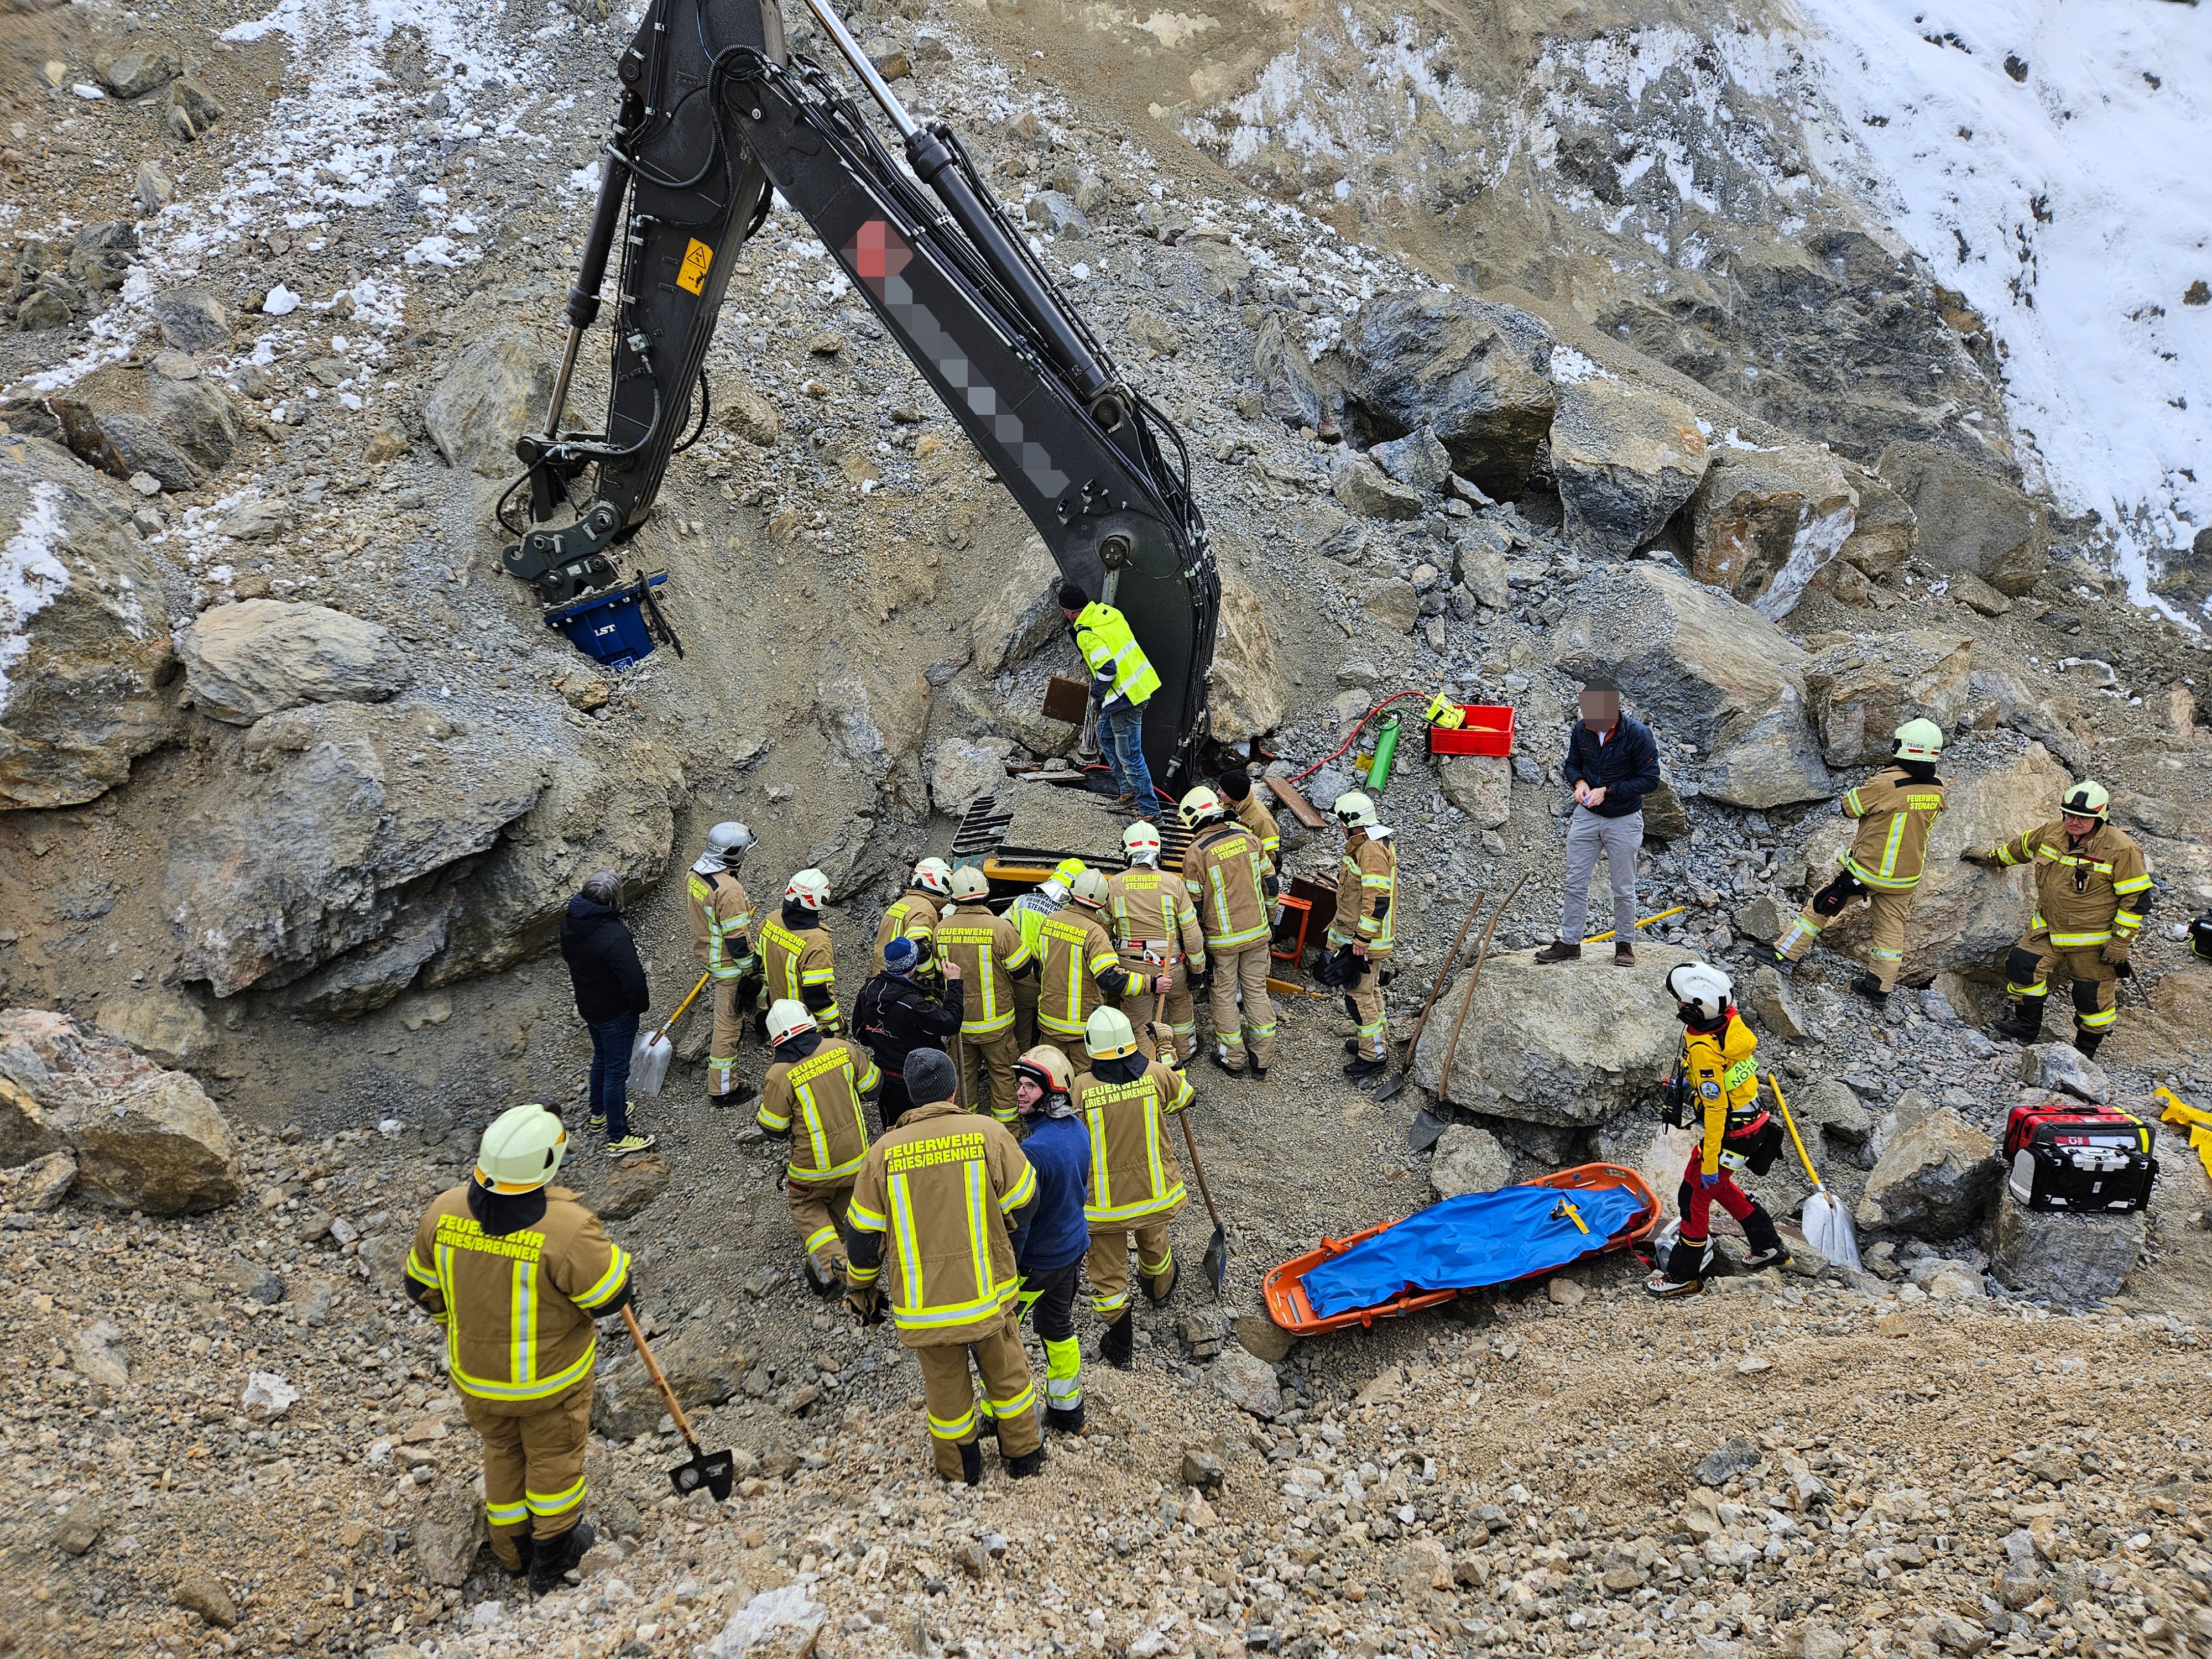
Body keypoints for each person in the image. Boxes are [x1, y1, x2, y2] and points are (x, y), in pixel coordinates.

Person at [404, 1104, 630, 1589]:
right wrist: (615, 1263)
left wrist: (452, 1324)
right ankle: (554, 1557)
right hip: (550, 1385)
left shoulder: (444, 1211)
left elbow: (419, 1288)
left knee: (502, 1452)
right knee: (553, 1462)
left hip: (477, 1381)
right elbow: (610, 1298)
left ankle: (511, 1554)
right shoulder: (567, 1229)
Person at [844, 1049, 1045, 1485]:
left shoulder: (881, 1154)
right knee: (1008, 1375)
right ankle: (1024, 1457)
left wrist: (861, 1288)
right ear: (953, 1089)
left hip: (926, 1306)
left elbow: (862, 1238)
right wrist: (1000, 1224)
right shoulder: (988, 1134)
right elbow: (1026, 1203)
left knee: (946, 1391)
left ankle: (960, 1471)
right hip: (987, 1293)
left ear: (913, 1098)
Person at [1750, 720, 1948, 1005]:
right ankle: (1878, 988)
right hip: (1905, 878)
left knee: (1820, 908)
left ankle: (1784, 954)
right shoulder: (1937, 789)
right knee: (1891, 931)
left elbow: (1849, 808)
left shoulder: (1887, 782)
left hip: (1866, 872)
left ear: (1901, 747)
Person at [1962, 779, 2153, 1060]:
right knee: (2022, 967)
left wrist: (2121, 943)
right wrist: (1992, 858)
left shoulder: (2121, 849)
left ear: (2100, 818)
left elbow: (2137, 899)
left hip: (2094, 940)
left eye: (2083, 818)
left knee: (2092, 999)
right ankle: (2026, 1026)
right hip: (2048, 927)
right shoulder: (2053, 831)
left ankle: (2085, 1052)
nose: (2073, 821)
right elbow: (2021, 848)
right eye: (2069, 814)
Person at [1648, 964, 1788, 1298]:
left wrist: (1709, 1162)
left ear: (1696, 1008)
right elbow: (1727, 1079)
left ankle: (1683, 1275)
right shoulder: (1730, 1023)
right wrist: (1692, 1081)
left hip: (1730, 1135)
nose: (1679, 1009)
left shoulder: (1702, 1050)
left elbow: (1715, 1111)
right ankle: (1768, 1245)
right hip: (1754, 1128)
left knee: (1694, 1197)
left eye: (1682, 1004)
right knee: (1721, 1188)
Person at [1072, 1006, 1194, 1368]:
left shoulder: (1081, 1087)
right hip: (1153, 1194)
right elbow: (1184, 1097)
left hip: (1105, 1206)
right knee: (1155, 1245)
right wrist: (1167, 1049)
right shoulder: (1156, 1074)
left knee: (1107, 1271)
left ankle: (1121, 1341)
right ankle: (1158, 1290)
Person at [756, 999, 883, 1297]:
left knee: (807, 1209)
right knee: (841, 1204)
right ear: (809, 1022)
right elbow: (873, 1088)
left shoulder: (778, 1075)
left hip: (812, 1171)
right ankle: (845, 1258)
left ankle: (830, 1275)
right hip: (857, 1160)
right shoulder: (842, 1050)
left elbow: (773, 1128)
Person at [1535, 680, 1661, 967]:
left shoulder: (1638, 735)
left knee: (1623, 887)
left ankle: (1625, 945)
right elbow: (1572, 764)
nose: (1588, 720)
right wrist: (1579, 783)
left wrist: (1608, 791)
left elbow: (1650, 779)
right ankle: (1569, 943)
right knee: (1575, 882)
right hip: (1587, 817)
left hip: (1624, 819)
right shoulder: (1582, 730)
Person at [1009, 1046, 1093, 1433]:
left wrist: (1007, 1270)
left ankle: (1000, 1416)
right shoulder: (1077, 1129)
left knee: (1004, 1334)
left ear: (1054, 1093)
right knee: (1058, 1326)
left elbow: (1021, 1224)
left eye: (1030, 1086)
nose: (1020, 1092)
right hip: (1073, 1249)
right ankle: (1066, 1410)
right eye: (1020, 1084)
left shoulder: (1033, 1152)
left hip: (1038, 1263)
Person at [1176, 786, 1276, 1077]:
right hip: (1258, 934)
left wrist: (1195, 949)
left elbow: (1192, 908)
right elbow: (1271, 886)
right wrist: (1269, 920)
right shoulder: (1250, 839)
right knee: (1256, 992)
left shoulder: (1197, 853)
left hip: (1222, 944)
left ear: (1194, 820)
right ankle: (1263, 1059)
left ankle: (1233, 1059)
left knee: (1223, 997)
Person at [559, 870, 655, 1156]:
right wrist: (638, 1007)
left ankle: (599, 1112)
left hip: (590, 1004)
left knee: (601, 1057)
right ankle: (618, 1135)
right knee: (617, 1072)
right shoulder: (613, 935)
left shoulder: (571, 922)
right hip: (615, 1012)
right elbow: (634, 980)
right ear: (614, 900)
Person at [934, 866, 1037, 1124]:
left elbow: (939, 974)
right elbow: (1023, 969)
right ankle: (1006, 1136)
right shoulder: (999, 928)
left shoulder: (941, 930)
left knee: (963, 1081)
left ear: (955, 897)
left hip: (960, 1026)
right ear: (985, 894)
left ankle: (965, 1131)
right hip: (997, 1027)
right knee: (1004, 1079)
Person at [1105, 820, 1209, 1063]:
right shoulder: (1173, 883)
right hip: (1172, 965)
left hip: (1133, 968)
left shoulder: (1114, 885)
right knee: (1180, 1005)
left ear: (1127, 851)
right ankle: (1184, 1053)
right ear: (1158, 851)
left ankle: (1147, 1066)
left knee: (1138, 1021)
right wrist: (1197, 969)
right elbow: (1191, 932)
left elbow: (1101, 929)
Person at [1037, 868, 1162, 1065]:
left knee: (1052, 1077)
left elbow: (1040, 970)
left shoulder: (1050, 922)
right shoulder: (1094, 932)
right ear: (1104, 903)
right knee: (1085, 1084)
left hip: (1048, 1020)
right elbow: (1109, 978)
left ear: (1072, 892)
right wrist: (1152, 983)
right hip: (1081, 1029)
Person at [1060, 579, 1160, 811]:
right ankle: (1127, 791)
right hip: (1140, 686)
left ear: (1068, 612)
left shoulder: (1086, 633)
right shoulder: (1108, 613)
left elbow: (1107, 669)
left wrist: (1096, 696)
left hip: (1126, 698)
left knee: (1131, 757)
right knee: (1104, 734)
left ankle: (1150, 811)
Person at [852, 936, 964, 1130]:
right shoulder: (913, 1004)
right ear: (912, 966)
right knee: (928, 1131)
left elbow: (860, 1032)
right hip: (919, 1080)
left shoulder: (868, 991)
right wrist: (953, 984)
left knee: (895, 1131)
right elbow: (951, 1024)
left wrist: (885, 1039)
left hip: (886, 1080)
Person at [1324, 791, 1399, 1080]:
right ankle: (1377, 1042)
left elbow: (1377, 899)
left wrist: (1360, 940)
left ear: (1352, 822)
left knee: (1358, 997)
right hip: (1366, 938)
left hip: (1365, 940)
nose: (1340, 827)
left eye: (1341, 823)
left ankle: (1373, 1055)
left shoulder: (1369, 850)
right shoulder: (1374, 843)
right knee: (1370, 991)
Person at [686, 822, 760, 1107]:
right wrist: (752, 972)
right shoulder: (728, 890)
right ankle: (723, 1089)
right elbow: (739, 944)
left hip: (709, 953)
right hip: (729, 965)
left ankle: (761, 1023)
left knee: (754, 997)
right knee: (727, 1026)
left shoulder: (695, 873)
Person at [1008, 858, 1082, 1049]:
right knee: (1049, 1035)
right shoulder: (1069, 913)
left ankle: (1023, 1069)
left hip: (1021, 977)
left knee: (1022, 1033)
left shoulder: (1022, 900)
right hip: (1052, 981)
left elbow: (1002, 928)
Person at [760, 868, 842, 1034]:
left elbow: (758, 965)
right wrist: (836, 1024)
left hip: (779, 1015)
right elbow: (818, 996)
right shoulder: (817, 941)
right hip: (805, 1023)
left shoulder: (771, 920)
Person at [875, 858, 953, 989]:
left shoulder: (902, 903)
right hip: (903, 984)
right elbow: (919, 948)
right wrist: (933, 975)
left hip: (883, 977)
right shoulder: (925, 910)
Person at [1217, 769, 1281, 887]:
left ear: (1233, 794)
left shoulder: (1262, 820)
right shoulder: (1227, 806)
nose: (1218, 792)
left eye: (1222, 790)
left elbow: (1273, 860)